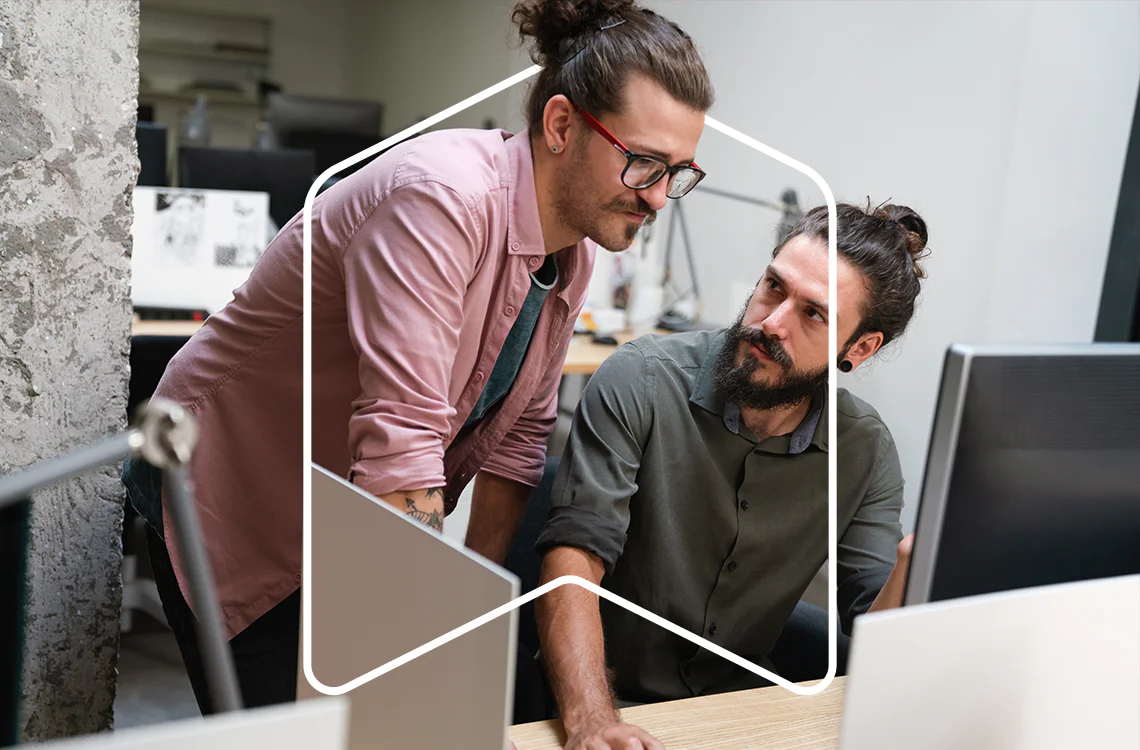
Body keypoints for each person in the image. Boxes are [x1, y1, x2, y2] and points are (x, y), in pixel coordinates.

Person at [121, 0, 715, 715]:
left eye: (678, 173)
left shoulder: (575, 254)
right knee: (301, 730)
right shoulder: (441, 198)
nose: (659, 199)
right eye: (644, 163)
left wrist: (465, 615)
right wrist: (417, 651)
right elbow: (402, 443)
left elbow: (518, 442)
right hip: (234, 492)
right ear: (561, 126)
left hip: (343, 508)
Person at [533, 202, 931, 750]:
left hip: (738, 717)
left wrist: (915, 567)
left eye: (813, 314)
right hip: (601, 701)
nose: (771, 323)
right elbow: (575, 555)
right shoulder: (643, 379)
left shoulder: (864, 450)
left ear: (858, 349)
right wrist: (592, 721)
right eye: (773, 287)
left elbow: (872, 636)